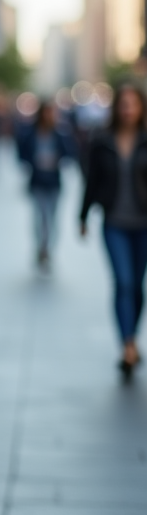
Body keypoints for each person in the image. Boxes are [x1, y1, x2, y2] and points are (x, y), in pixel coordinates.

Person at [80, 82, 147, 379]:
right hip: (114, 223)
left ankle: (131, 333)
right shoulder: (102, 141)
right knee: (123, 281)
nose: (128, 109)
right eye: (124, 104)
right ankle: (127, 345)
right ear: (116, 108)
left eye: (133, 104)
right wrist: (82, 216)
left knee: (137, 286)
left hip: (144, 225)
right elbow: (91, 181)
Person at [17, 101, 75, 270]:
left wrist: (57, 160)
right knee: (40, 217)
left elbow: (69, 154)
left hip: (54, 182)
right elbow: (22, 153)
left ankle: (48, 248)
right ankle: (41, 247)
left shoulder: (60, 133)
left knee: (52, 218)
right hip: (37, 182)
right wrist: (32, 162)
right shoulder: (31, 133)